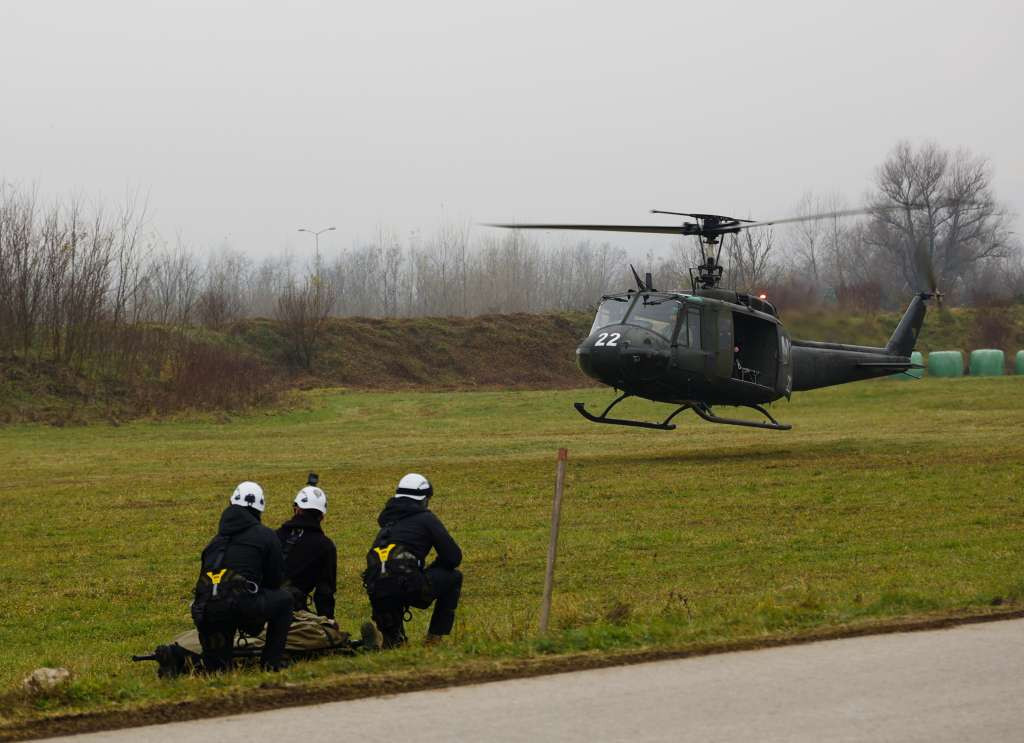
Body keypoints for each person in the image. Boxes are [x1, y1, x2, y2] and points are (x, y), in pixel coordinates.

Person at [191, 481, 293, 672]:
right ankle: (271, 665)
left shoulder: (214, 542)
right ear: (259, 509)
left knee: (218, 670)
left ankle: (191, 662)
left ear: (231, 504)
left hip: (206, 609)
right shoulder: (266, 536)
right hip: (241, 605)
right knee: (285, 600)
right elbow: (274, 582)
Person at [363, 473, 462, 648]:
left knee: (394, 646)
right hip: (409, 587)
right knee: (454, 577)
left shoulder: (386, 526)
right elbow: (453, 557)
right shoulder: (426, 518)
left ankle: (389, 639)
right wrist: (431, 568)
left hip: (377, 592)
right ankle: (434, 639)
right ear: (424, 499)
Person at [276, 477, 337, 619]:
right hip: (293, 614)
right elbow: (325, 592)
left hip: (260, 611)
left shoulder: (273, 536)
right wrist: (328, 622)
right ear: (322, 516)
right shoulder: (325, 546)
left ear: (296, 509)